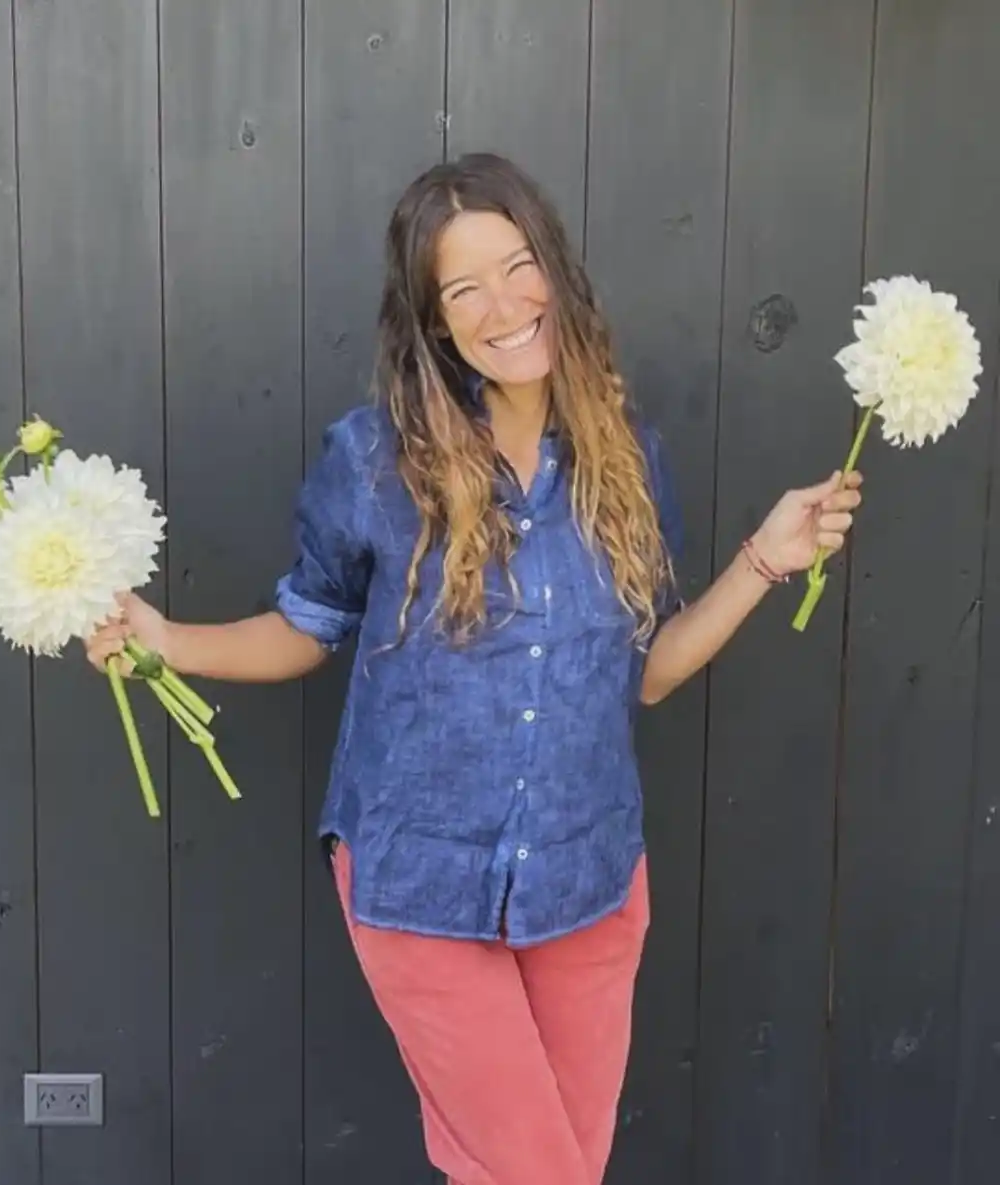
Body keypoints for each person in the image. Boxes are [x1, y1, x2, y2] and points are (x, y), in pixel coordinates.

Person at [85, 152, 862, 1185]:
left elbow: (651, 670)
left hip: (589, 880)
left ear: (556, 267)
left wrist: (768, 557)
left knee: (534, 1172)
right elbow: (307, 627)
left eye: (518, 263)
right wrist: (169, 640)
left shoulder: (627, 457)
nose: (504, 304)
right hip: (420, 884)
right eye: (463, 288)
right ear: (433, 321)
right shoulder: (373, 462)